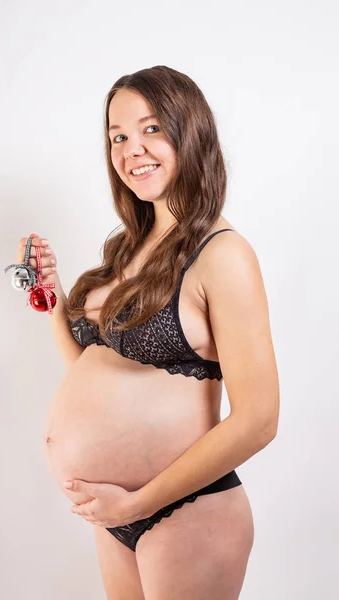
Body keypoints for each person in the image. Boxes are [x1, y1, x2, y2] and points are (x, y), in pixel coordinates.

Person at [18, 65, 279, 599]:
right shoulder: (130, 247)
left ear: (192, 131)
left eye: (152, 128)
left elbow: (259, 420)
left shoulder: (223, 254)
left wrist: (139, 503)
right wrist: (51, 297)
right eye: (118, 137)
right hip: (116, 514)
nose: (132, 149)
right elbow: (95, 374)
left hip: (185, 513)